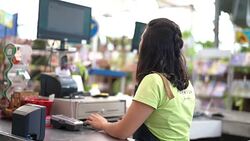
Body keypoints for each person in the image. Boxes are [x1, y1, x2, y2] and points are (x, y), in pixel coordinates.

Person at [86, 18, 196, 141]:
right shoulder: (186, 83)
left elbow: (122, 132)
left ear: (149, 46)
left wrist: (103, 124)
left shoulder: (154, 80)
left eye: (142, 39)